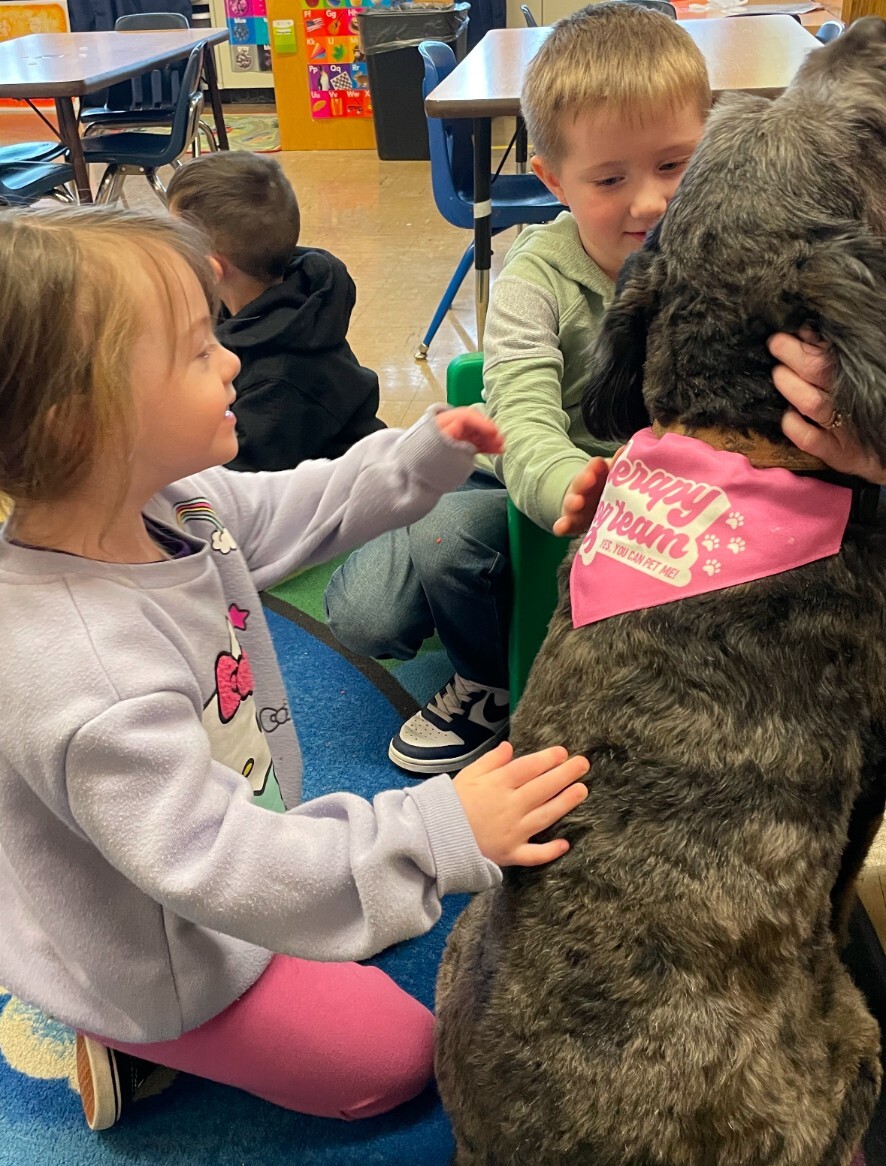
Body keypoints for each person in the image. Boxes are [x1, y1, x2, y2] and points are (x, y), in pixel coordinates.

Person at [0, 206, 591, 1133]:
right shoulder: (82, 673)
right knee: (393, 1060)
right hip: (163, 951)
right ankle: (116, 1025)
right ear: (88, 423)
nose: (233, 358)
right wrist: (441, 832)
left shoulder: (172, 502)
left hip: (199, 855)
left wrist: (421, 455)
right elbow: (218, 864)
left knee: (366, 920)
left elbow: (297, 506)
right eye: (198, 351)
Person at [324, 2, 711, 777]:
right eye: (610, 178)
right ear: (552, 180)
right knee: (370, 608)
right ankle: (484, 682)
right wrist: (567, 484)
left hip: (669, 504)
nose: (651, 203)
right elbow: (527, 419)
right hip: (536, 482)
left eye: (675, 165)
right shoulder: (536, 279)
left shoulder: (717, 251)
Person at [165, 151, 385, 472]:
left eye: (175, 242)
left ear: (212, 269)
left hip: (341, 507)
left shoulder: (279, 385)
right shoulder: (271, 296)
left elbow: (233, 488)